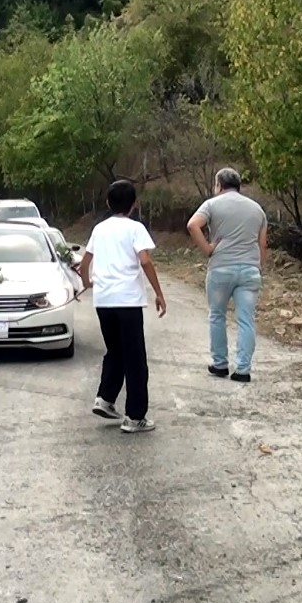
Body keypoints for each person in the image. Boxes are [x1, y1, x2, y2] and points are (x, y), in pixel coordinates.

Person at [78, 179, 166, 434]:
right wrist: (159, 293)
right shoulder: (135, 228)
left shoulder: (99, 229)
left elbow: (84, 265)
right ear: (134, 204)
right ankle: (135, 416)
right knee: (135, 358)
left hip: (104, 301)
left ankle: (105, 399)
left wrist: (88, 283)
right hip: (127, 301)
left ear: (107, 202)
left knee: (115, 351)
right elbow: (145, 260)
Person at [186, 168, 268, 383]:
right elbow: (262, 244)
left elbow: (193, 225)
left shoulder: (212, 204)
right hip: (249, 269)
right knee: (246, 320)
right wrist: (259, 267)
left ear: (219, 185)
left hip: (221, 268)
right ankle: (243, 369)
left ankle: (220, 363)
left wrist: (208, 248)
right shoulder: (257, 209)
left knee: (217, 315)